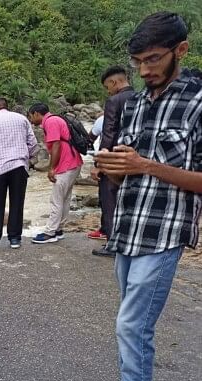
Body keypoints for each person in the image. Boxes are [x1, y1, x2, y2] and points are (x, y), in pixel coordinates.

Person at [86, 12, 202, 381]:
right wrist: (111, 170)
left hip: (164, 233)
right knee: (132, 329)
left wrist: (147, 166)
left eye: (153, 59)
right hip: (127, 229)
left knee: (132, 328)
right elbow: (128, 169)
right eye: (138, 62)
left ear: (181, 51)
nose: (144, 69)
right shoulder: (133, 102)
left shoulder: (198, 102)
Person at [0, 97, 38, 250]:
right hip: (19, 166)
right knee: (17, 202)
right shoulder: (22, 119)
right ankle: (15, 239)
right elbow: (33, 143)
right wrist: (27, 158)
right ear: (7, 106)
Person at [89, 66, 136, 257]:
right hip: (135, 159)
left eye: (107, 87)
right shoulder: (141, 97)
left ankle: (113, 244)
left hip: (115, 160)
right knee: (129, 203)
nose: (108, 91)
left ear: (114, 82)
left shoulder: (115, 100)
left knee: (110, 202)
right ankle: (129, 241)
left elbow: (109, 134)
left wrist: (99, 164)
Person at [28, 103, 83, 244]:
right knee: (65, 198)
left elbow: (56, 145)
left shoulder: (50, 122)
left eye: (31, 116)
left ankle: (50, 232)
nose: (31, 120)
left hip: (65, 164)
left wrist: (52, 168)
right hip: (74, 162)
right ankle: (58, 229)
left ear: (36, 114)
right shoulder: (55, 119)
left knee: (56, 199)